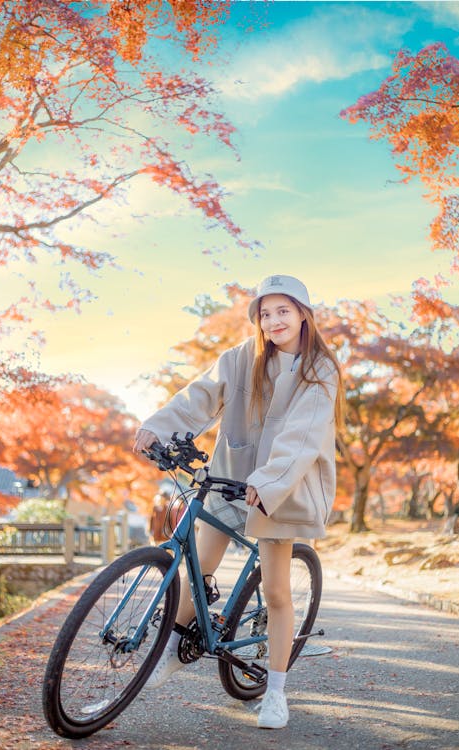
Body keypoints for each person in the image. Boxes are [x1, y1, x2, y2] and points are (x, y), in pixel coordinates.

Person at [133, 274, 344, 730]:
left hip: (280, 489)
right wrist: (158, 425)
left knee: (276, 592)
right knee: (197, 568)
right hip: (232, 477)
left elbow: (302, 436)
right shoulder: (240, 359)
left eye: (283, 311)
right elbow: (199, 395)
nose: (273, 321)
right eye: (265, 313)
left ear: (303, 313)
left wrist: (267, 482)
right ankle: (172, 652)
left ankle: (275, 693)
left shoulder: (320, 369)